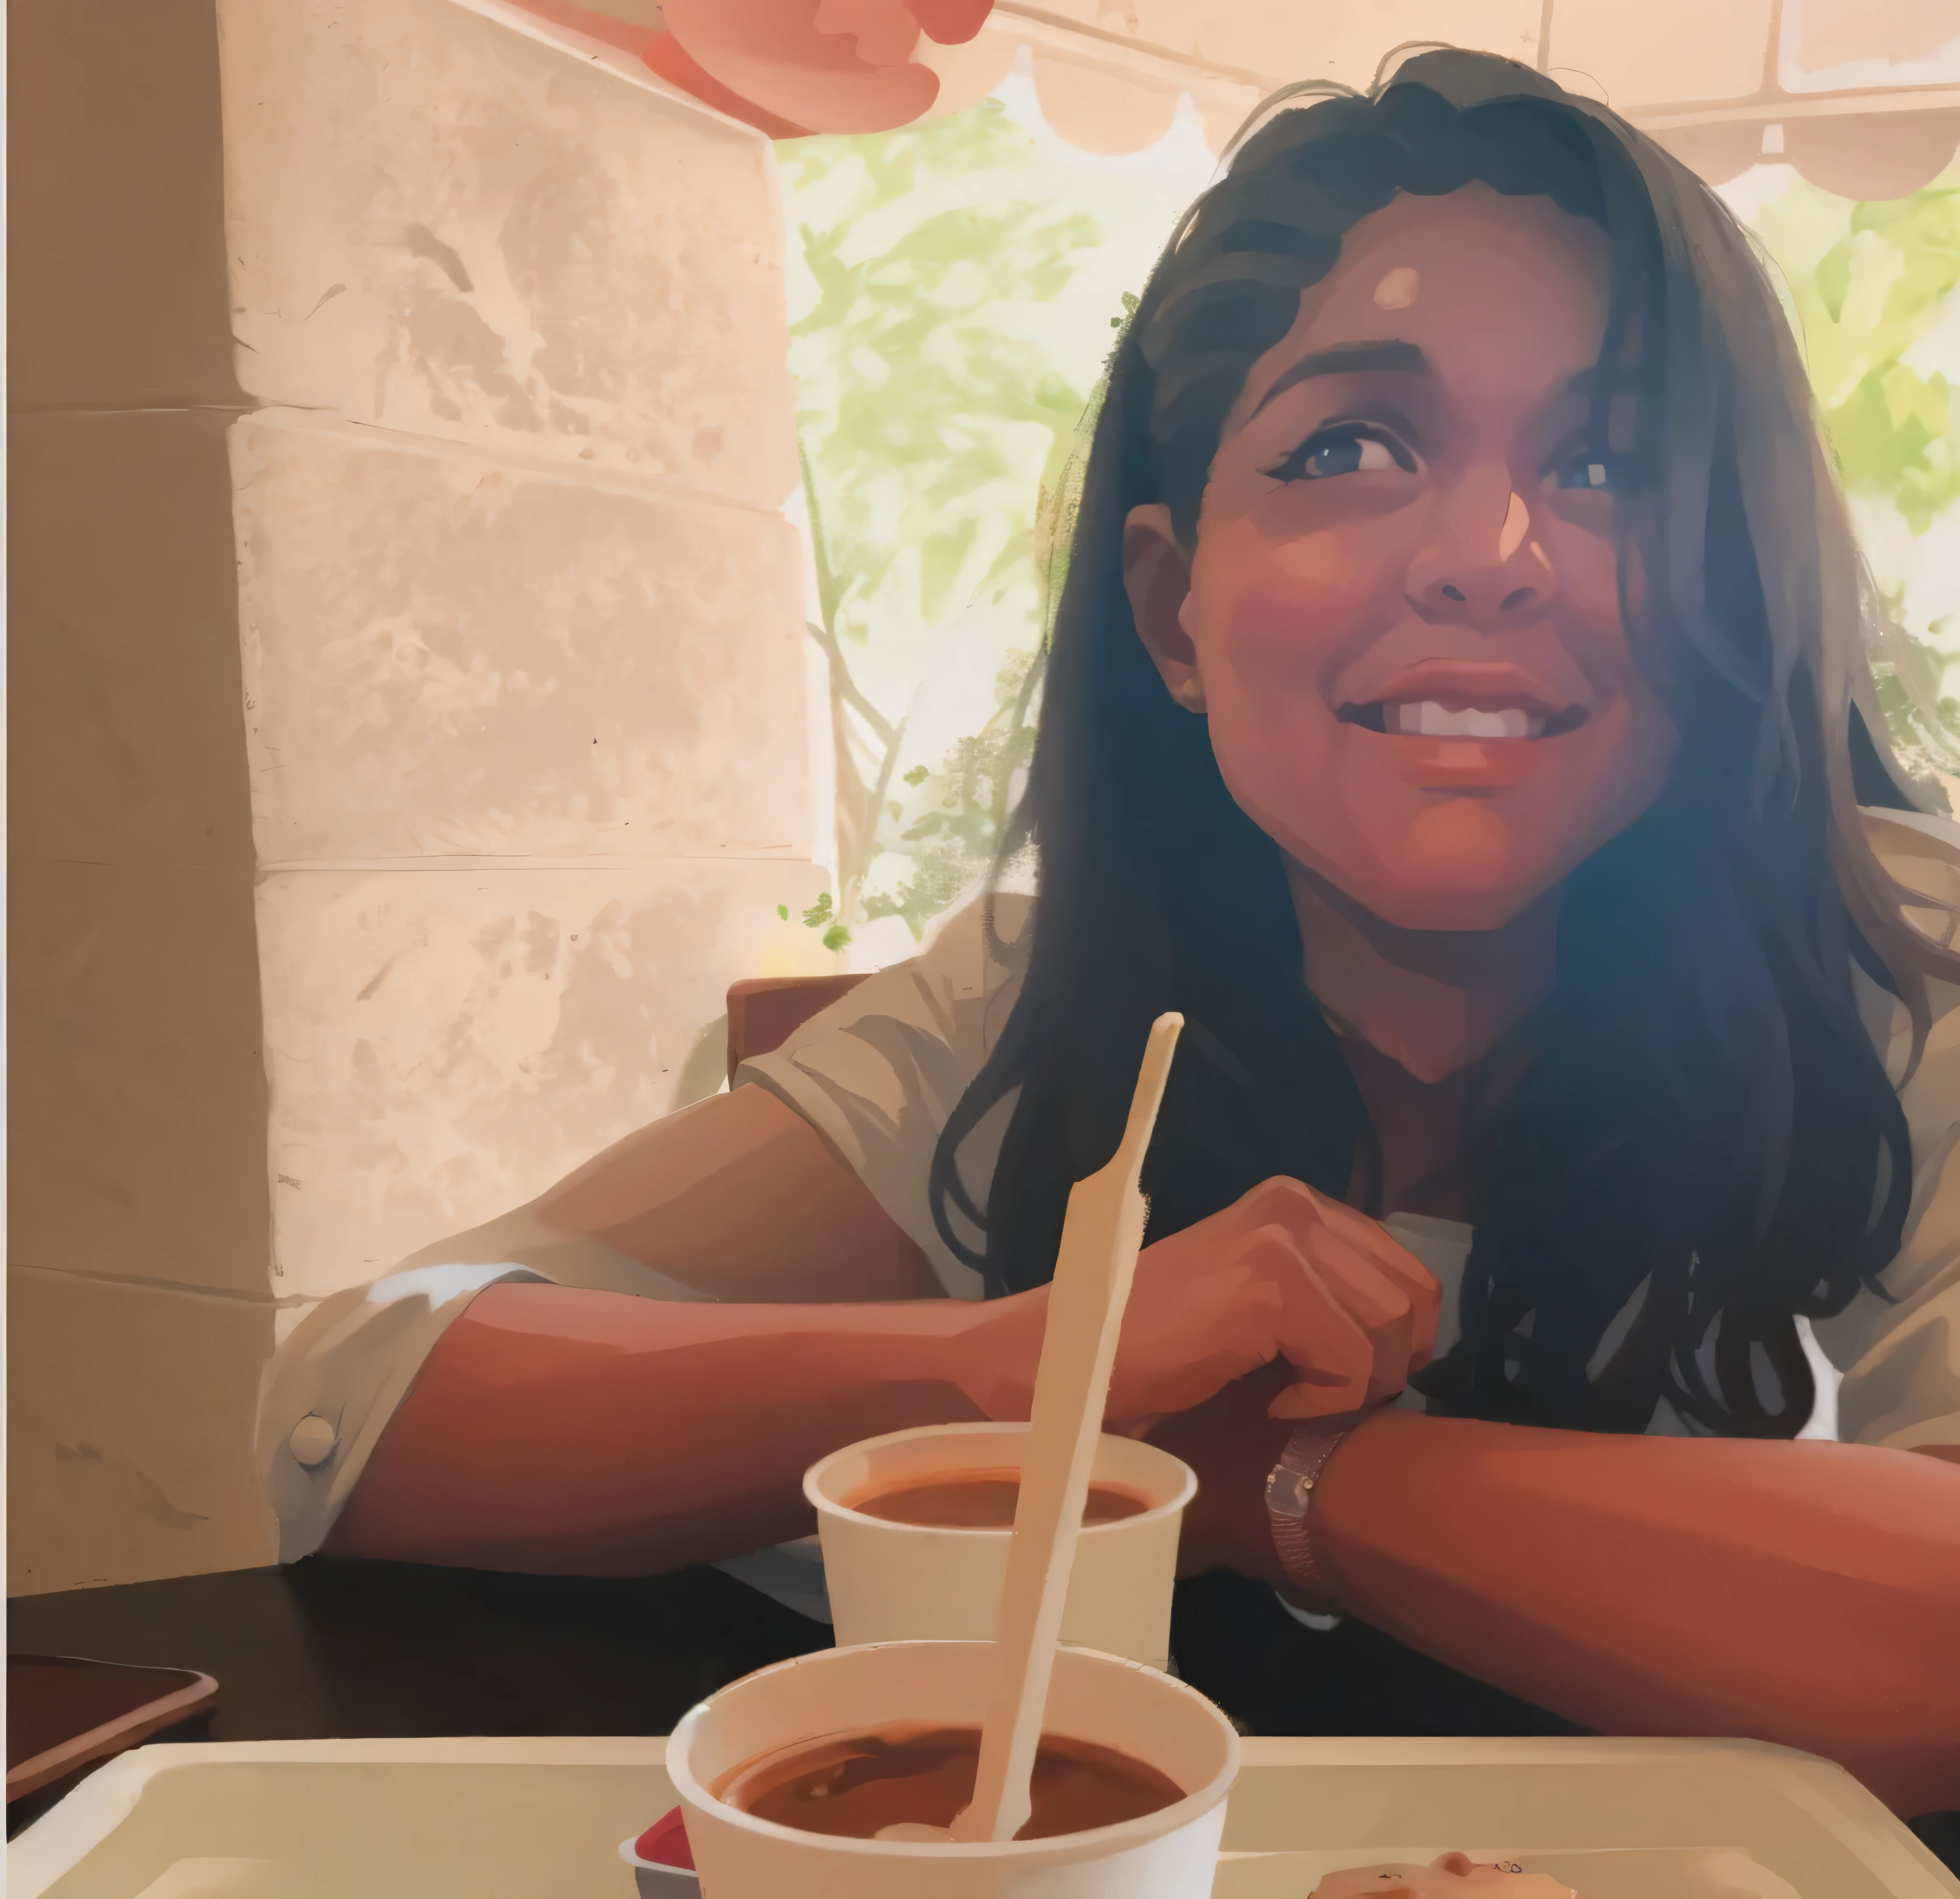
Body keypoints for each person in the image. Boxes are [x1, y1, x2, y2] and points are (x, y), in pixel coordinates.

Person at [262, 49, 1960, 1819]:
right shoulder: (1020, 1003)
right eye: (1352, 446)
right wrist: (1036, 1360)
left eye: (1614, 458)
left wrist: (1277, 1483)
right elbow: (362, 1409)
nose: (1493, 553)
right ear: (1171, 606)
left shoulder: (1906, 969)